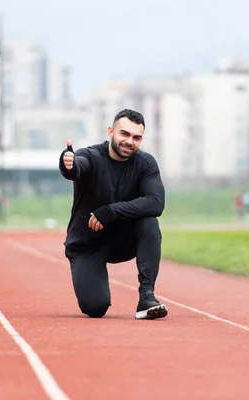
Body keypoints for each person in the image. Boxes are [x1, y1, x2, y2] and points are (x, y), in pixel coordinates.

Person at [58, 109, 168, 320]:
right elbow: (76, 168)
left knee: (149, 223)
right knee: (95, 307)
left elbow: (156, 203)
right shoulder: (90, 155)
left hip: (122, 240)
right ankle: (93, 285)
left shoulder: (146, 163)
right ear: (110, 131)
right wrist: (67, 164)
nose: (129, 141)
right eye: (124, 134)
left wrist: (110, 211)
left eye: (136, 137)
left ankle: (147, 297)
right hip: (87, 243)